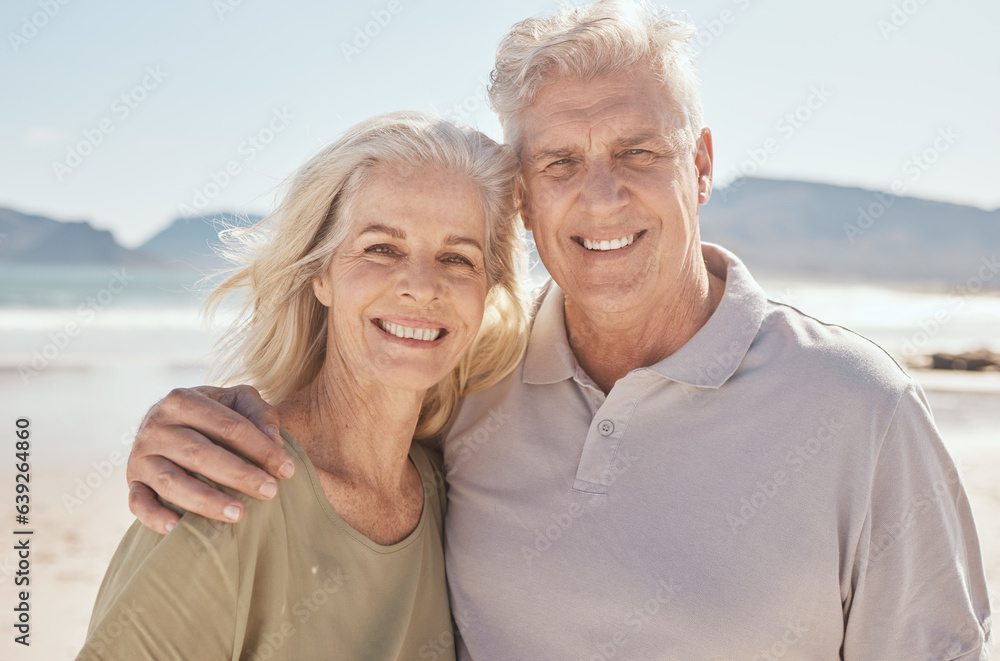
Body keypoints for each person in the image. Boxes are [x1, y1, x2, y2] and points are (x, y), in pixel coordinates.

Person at [121, 1, 994, 659]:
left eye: (638, 152)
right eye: (560, 162)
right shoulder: (468, 389)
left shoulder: (861, 410)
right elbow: (340, 439)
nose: (601, 195)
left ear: (699, 166)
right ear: (527, 199)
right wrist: (190, 425)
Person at [77, 111, 529, 660]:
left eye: (457, 258)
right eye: (381, 248)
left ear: (486, 294)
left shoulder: (449, 489)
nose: (421, 286)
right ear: (321, 274)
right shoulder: (224, 491)